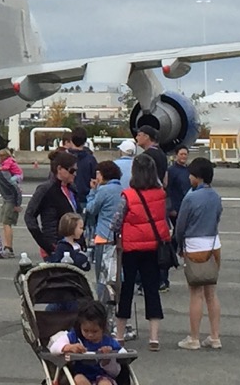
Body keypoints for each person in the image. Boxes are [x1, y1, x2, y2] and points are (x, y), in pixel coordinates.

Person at [113, 153, 169, 350]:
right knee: (152, 289)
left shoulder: (128, 195)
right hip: (153, 246)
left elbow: (117, 221)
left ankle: (119, 334)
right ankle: (154, 337)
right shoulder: (160, 194)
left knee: (126, 289)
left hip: (131, 247)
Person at [174, 156, 223, 350]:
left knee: (195, 293)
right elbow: (218, 217)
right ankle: (215, 335)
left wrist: (179, 245)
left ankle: (194, 337)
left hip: (194, 244)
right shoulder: (216, 196)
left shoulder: (191, 197)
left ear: (197, 177)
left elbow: (180, 226)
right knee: (211, 292)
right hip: (213, 243)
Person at [47, 300, 125, 385]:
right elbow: (54, 348)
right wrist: (69, 347)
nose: (90, 335)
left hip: (102, 376)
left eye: (95, 331)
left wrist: (107, 359)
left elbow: (117, 368)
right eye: (86, 330)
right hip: (82, 375)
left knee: (105, 383)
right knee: (79, 378)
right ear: (80, 326)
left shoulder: (108, 341)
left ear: (103, 328)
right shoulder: (75, 336)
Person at [25, 150, 79, 258]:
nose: (75, 174)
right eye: (72, 170)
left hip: (72, 245)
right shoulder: (46, 189)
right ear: (59, 169)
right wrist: (46, 244)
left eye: (76, 170)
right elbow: (29, 216)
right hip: (54, 245)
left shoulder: (72, 189)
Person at [85, 160, 123, 304]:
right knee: (116, 275)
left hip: (103, 235)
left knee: (102, 276)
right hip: (119, 238)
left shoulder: (103, 190)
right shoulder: (122, 189)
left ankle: (102, 306)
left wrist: (92, 191)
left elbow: (91, 208)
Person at [162, 145, 192, 290]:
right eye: (181, 154)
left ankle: (176, 253)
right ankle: (172, 254)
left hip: (186, 206)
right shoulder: (172, 171)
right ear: (176, 155)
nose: (183, 157)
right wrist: (171, 208)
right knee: (177, 234)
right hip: (176, 206)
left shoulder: (188, 170)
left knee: (181, 233)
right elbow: (168, 190)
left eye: (185, 154)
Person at [67, 127, 99, 212]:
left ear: (71, 140)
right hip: (86, 198)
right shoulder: (91, 159)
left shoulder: (64, 158)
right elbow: (96, 179)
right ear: (85, 141)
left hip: (68, 198)